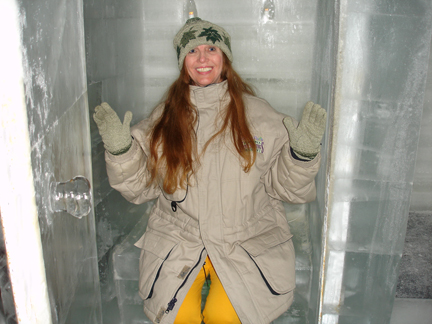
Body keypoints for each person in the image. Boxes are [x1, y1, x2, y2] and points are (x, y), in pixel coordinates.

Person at [93, 17, 326, 324]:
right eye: (192, 51)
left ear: (225, 58)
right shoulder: (163, 120)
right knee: (179, 318)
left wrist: (301, 156)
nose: (202, 58)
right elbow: (140, 189)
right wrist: (122, 152)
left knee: (223, 317)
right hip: (179, 242)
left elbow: (288, 189)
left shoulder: (260, 116)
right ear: (182, 62)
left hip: (247, 242)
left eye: (211, 48)